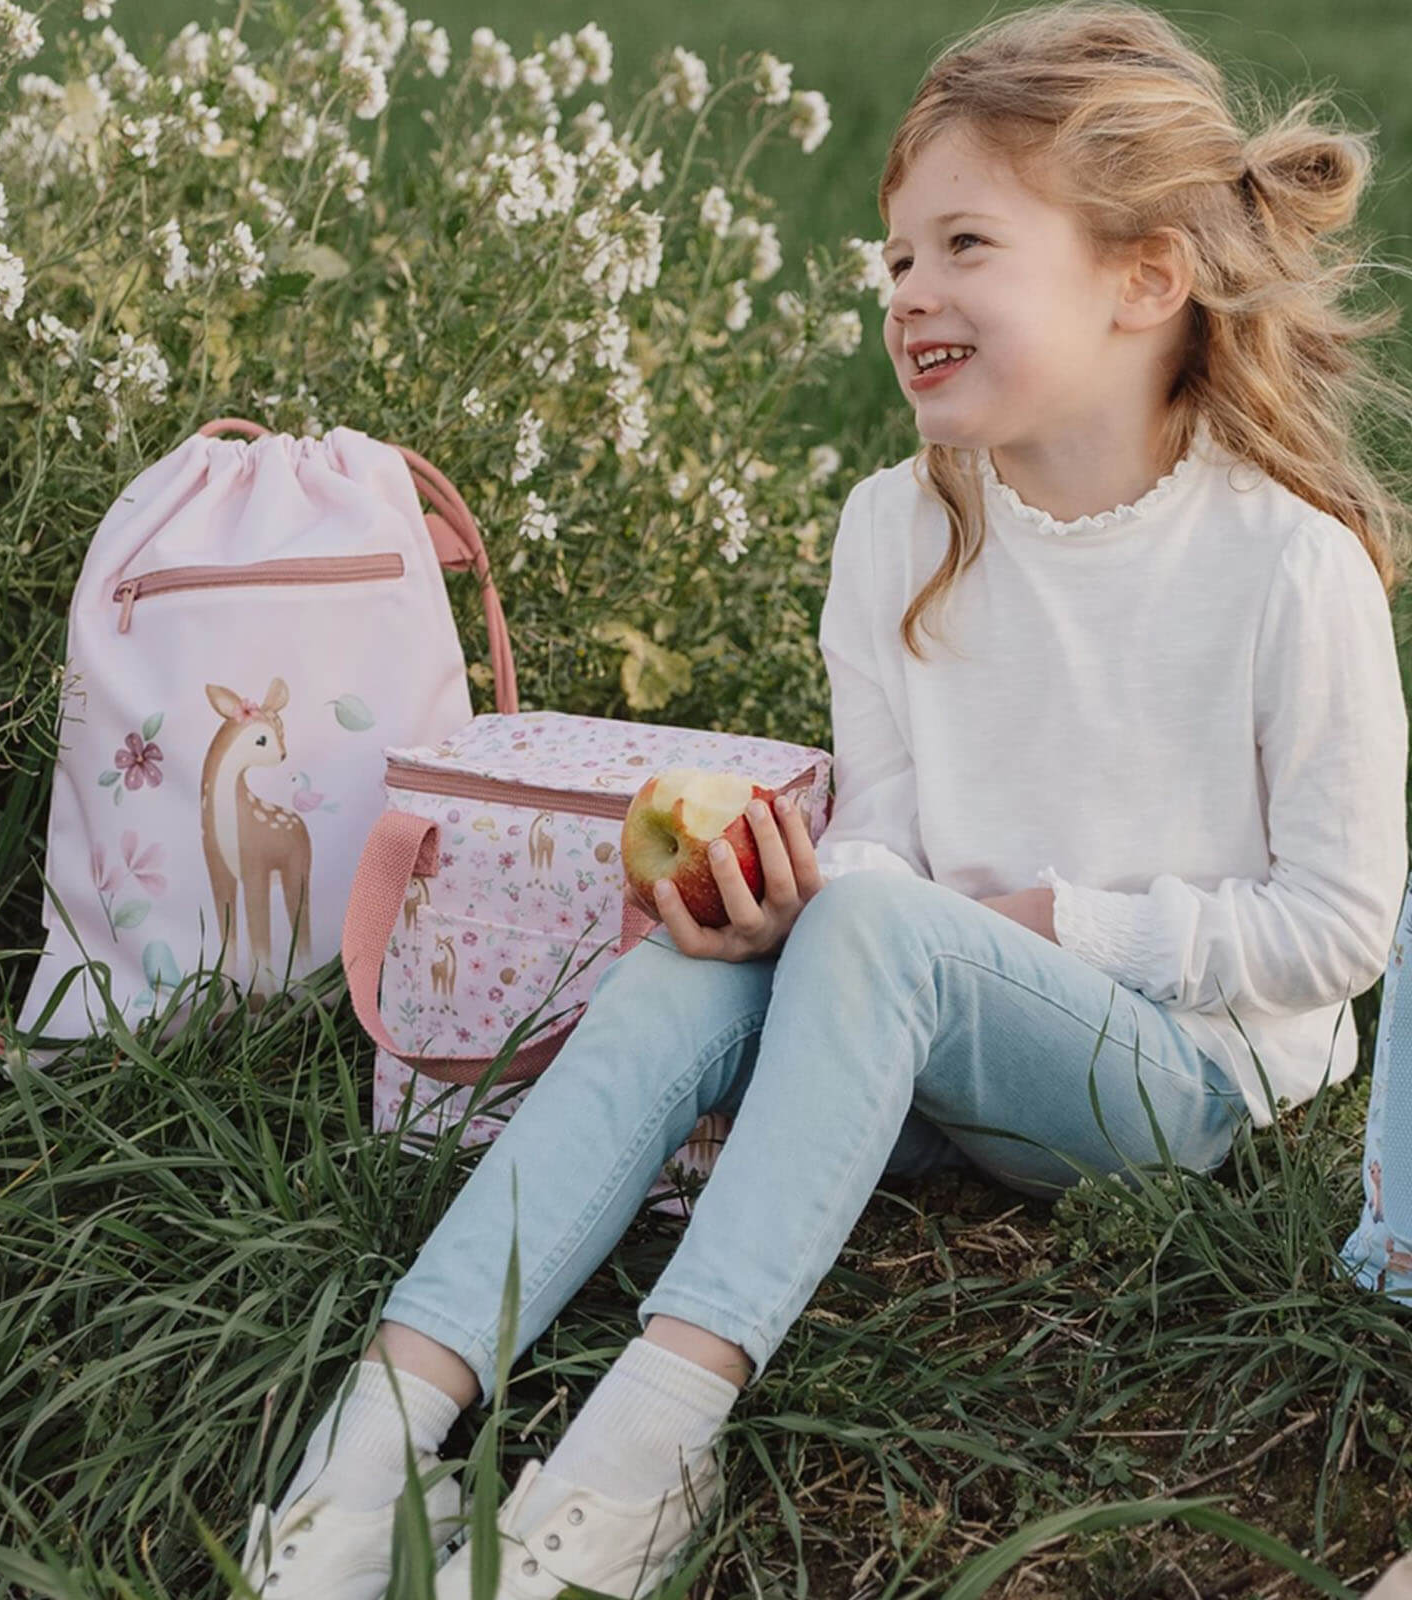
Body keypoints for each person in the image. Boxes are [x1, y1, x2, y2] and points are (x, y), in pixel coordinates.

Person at [234, 2, 1412, 1595]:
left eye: (966, 243)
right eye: (897, 256)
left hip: (1171, 1081)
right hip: (930, 1013)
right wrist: (800, 901)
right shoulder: (894, 528)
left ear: (1146, 278)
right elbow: (888, 842)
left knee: (871, 928)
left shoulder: (1286, 563)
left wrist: (1042, 926)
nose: (911, 292)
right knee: (687, 964)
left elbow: (1339, 931)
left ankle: (641, 1460)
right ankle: (366, 1453)